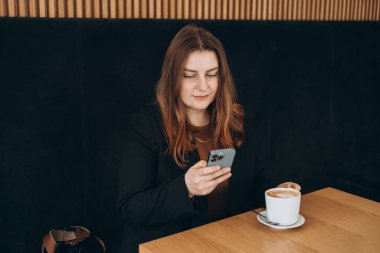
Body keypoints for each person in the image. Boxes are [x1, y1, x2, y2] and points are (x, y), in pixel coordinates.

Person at [118, 24, 300, 253]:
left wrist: (277, 192)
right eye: (189, 76)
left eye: (211, 74)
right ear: (173, 77)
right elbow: (130, 207)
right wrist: (186, 188)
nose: (203, 86)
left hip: (228, 243)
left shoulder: (234, 121)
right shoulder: (147, 126)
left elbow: (254, 181)